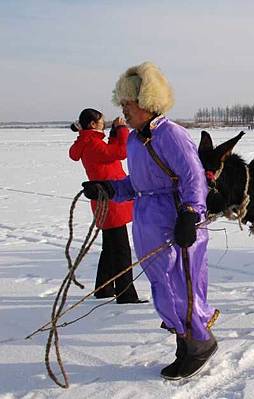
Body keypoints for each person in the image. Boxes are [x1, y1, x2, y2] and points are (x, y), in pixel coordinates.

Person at [80, 62, 218, 380]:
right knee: (164, 287)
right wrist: (108, 190)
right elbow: (136, 184)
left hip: (177, 223)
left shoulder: (172, 134)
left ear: (146, 103)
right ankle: (185, 342)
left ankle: (200, 344)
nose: (124, 112)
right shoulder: (133, 140)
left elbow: (193, 177)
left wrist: (189, 214)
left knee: (181, 287)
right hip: (147, 221)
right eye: (123, 105)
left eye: (128, 105)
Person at [69, 109, 142, 304]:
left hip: (107, 200)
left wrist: (112, 135)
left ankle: (104, 288)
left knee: (110, 248)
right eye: (101, 121)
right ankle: (126, 294)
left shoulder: (89, 142)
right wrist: (122, 129)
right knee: (121, 251)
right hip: (111, 201)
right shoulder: (92, 143)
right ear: (93, 124)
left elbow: (109, 154)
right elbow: (121, 152)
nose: (104, 123)